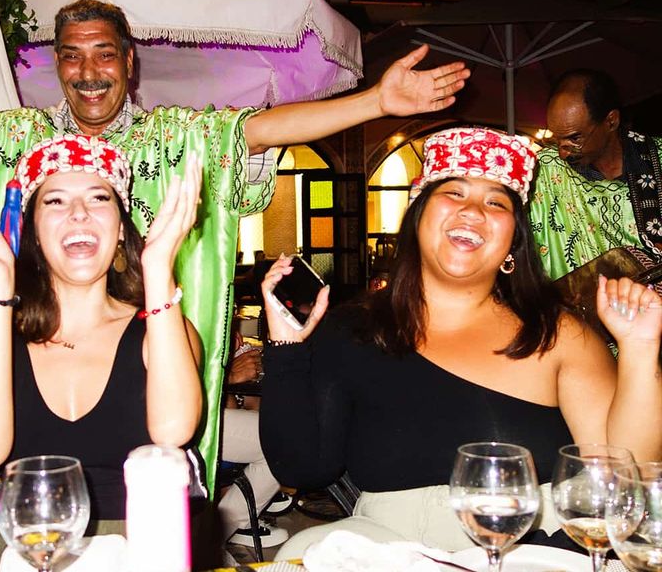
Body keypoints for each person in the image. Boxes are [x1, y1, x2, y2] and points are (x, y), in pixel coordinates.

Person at [0, 0, 470, 490]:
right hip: (26, 356)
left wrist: (376, 103)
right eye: (71, 56)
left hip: (148, 358)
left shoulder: (176, 141)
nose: (88, 71)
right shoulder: (9, 142)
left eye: (104, 53)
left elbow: (260, 130)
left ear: (129, 62)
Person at [259, 127, 662, 558]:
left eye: (496, 202)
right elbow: (303, 468)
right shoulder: (351, 330)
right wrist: (287, 351)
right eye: (454, 193)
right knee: (302, 553)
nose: (472, 211)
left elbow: (624, 474)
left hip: (531, 548)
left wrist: (639, 349)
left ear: (513, 243)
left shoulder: (557, 334)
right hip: (391, 548)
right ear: (417, 216)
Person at [0, 135, 202, 568]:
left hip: (139, 550)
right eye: (55, 201)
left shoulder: (164, 330)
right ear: (35, 235)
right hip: (24, 553)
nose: (78, 212)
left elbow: (173, 432)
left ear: (120, 229)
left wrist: (157, 271)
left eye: (99, 198)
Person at [530, 69, 662, 281]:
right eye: (557, 139)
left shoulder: (656, 160)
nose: (563, 153)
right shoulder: (543, 171)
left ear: (611, 121)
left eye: (575, 138)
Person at [219, 327, 288, 549]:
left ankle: (225, 525)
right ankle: (218, 532)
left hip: (207, 416)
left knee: (283, 435)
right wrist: (228, 375)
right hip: (168, 422)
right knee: (281, 439)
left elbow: (250, 410)